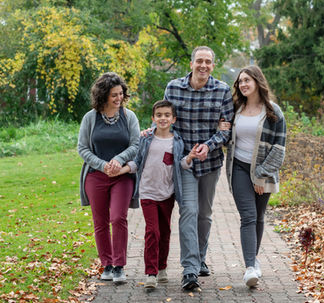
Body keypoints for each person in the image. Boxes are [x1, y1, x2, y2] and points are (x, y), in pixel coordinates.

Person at [163, 46, 234, 290]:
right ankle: (190, 270)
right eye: (199, 61)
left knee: (204, 214)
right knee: (189, 212)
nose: (203, 65)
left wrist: (209, 146)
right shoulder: (173, 88)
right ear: (191, 63)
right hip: (185, 162)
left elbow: (225, 130)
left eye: (208, 62)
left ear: (213, 65)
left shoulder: (223, 91)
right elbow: (166, 122)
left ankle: (200, 258)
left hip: (211, 163)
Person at [117, 100, 199, 290]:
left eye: (167, 115)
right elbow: (137, 161)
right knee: (152, 231)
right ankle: (151, 273)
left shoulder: (177, 141)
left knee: (164, 232)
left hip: (167, 194)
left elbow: (180, 164)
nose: (163, 118)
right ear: (153, 118)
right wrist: (122, 170)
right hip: (148, 193)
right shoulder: (146, 138)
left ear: (173, 119)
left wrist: (190, 157)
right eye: (159, 115)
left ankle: (162, 267)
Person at [224, 65, 286, 287]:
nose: (243, 85)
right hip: (238, 168)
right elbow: (225, 136)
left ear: (258, 82)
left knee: (259, 217)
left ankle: (254, 260)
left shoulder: (273, 111)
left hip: (263, 171)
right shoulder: (235, 109)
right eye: (240, 81)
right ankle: (250, 266)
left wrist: (261, 175)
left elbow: (279, 148)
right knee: (248, 216)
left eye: (247, 80)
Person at [77, 72, 140, 285]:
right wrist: (102, 165)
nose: (118, 98)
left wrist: (118, 160)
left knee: (118, 218)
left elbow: (136, 145)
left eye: (121, 94)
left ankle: (120, 265)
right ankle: (107, 264)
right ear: (103, 95)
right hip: (96, 176)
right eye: (114, 95)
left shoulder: (129, 117)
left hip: (121, 176)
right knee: (100, 222)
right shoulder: (90, 118)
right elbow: (82, 148)